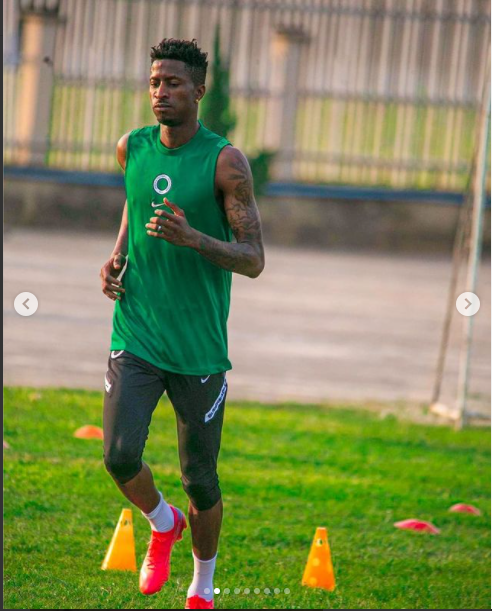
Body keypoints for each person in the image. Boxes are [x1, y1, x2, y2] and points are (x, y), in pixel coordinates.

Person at [99, 38, 264, 610]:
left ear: (199, 90)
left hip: (197, 348)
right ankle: (161, 523)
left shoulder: (225, 162)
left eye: (172, 83)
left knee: (201, 479)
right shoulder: (132, 147)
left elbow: (254, 260)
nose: (160, 92)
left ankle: (202, 585)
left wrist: (194, 238)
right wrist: (119, 253)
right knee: (119, 455)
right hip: (137, 330)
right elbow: (134, 201)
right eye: (153, 82)